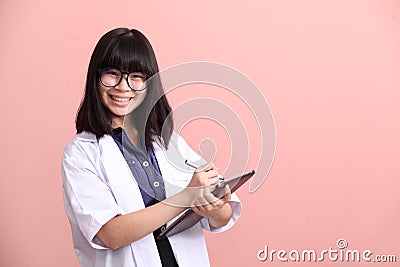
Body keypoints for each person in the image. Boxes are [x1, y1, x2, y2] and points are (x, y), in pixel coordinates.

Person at [62, 28, 242, 267]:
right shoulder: (81, 153)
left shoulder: (169, 142)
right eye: (112, 74)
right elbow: (110, 234)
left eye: (136, 76)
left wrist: (214, 208)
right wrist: (187, 196)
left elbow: (225, 215)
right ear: (96, 78)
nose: (123, 87)